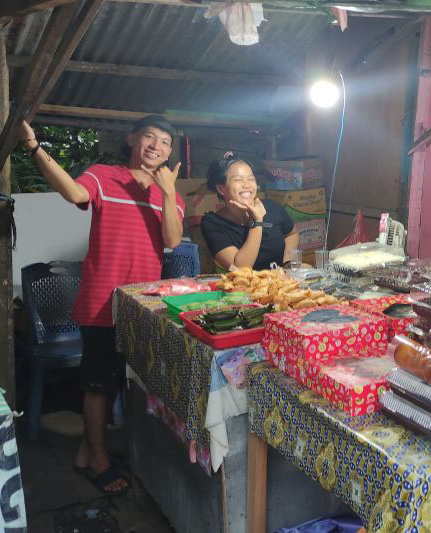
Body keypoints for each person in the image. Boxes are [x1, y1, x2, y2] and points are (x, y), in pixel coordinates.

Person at [19, 116, 185, 495]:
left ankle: (87, 451)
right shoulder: (103, 175)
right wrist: (34, 147)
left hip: (145, 305)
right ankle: (98, 460)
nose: (156, 146)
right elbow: (75, 194)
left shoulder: (169, 191)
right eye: (149, 137)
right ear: (131, 139)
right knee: (99, 384)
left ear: (170, 151)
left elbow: (173, 241)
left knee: (121, 382)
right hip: (103, 301)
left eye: (164, 141)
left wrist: (167, 192)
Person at [201, 154, 298, 271]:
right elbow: (241, 269)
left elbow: (292, 234)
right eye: (238, 180)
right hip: (245, 287)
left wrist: (287, 264)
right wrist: (257, 222)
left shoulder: (272, 207)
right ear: (221, 189)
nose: (247, 185)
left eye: (251, 179)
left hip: (280, 285)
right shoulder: (213, 223)